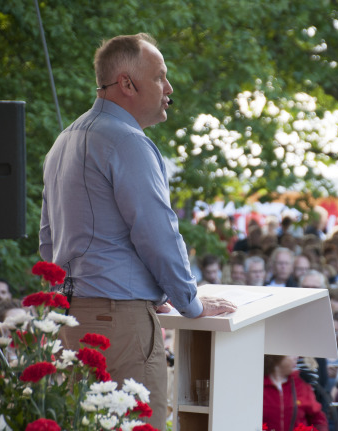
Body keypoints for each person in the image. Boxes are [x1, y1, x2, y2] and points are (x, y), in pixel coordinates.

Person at [38, 33, 237, 429]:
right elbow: (157, 234)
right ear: (127, 84)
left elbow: (48, 239)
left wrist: (148, 290)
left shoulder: (66, 139)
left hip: (70, 320)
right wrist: (189, 303)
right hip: (119, 324)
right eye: (161, 76)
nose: (170, 88)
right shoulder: (129, 142)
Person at [263, 355, 328, 431]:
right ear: (276, 356)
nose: (296, 357)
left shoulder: (301, 383)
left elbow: (318, 418)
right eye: (290, 354)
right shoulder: (258, 384)